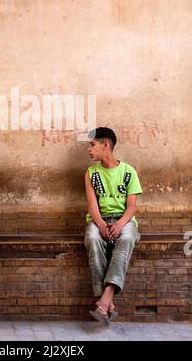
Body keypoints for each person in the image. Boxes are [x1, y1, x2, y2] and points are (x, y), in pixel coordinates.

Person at [84, 127, 142, 324]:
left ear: (105, 145)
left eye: (92, 145)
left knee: (126, 238)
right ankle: (106, 303)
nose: (89, 150)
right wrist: (100, 224)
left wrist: (119, 224)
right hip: (100, 219)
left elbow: (132, 207)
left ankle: (105, 299)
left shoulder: (128, 172)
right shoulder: (91, 173)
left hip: (123, 220)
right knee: (92, 238)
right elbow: (92, 205)